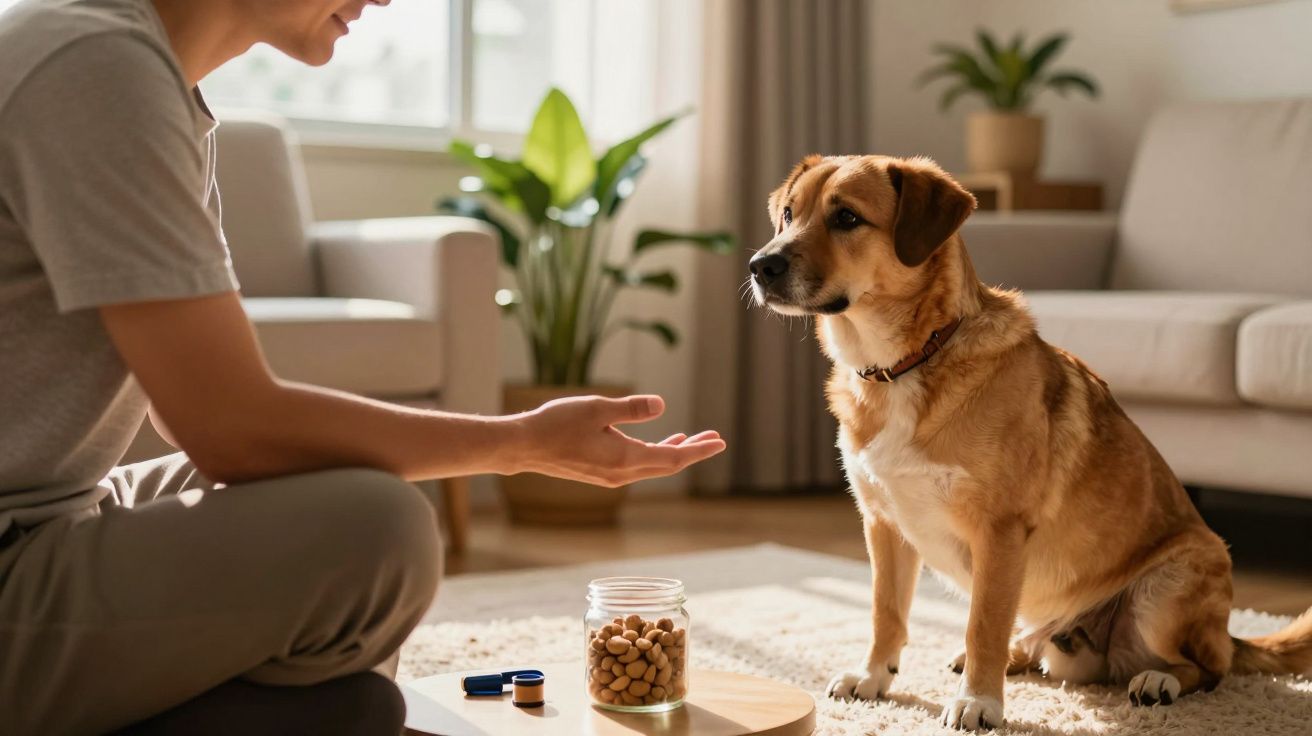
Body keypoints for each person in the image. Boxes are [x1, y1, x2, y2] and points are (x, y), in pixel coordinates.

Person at [0, 0, 727, 733]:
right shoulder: (93, 64)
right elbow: (230, 429)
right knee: (378, 532)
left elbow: (192, 412)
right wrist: (523, 443)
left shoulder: (153, 85)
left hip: (62, 513)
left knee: (351, 634)